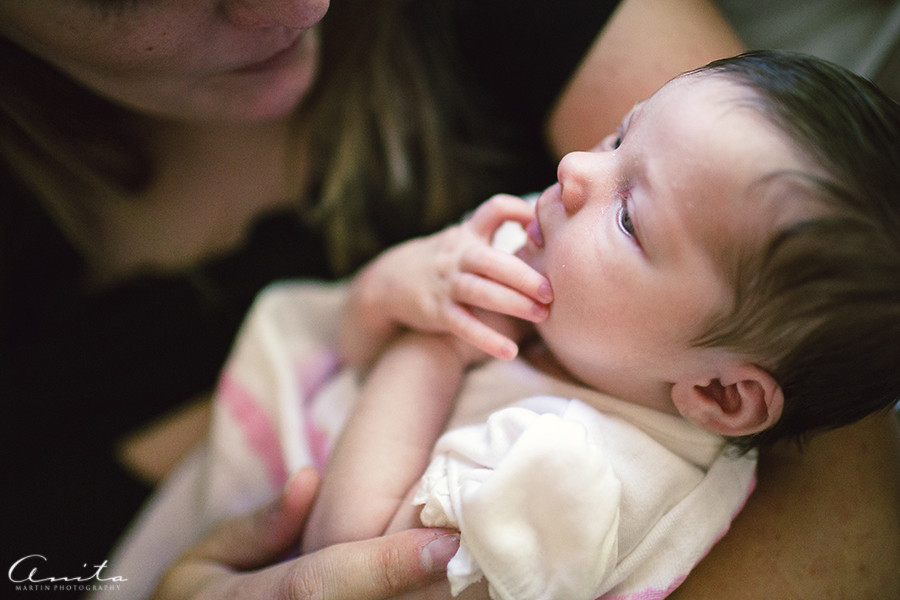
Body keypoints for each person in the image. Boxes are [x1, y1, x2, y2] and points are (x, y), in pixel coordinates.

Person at [0, 1, 897, 599]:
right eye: (620, 134)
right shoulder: (597, 355)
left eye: (629, 216)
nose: (578, 169)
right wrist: (401, 297)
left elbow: (347, 549)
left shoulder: (568, 472)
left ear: (722, 396)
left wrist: (431, 342)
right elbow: (334, 342)